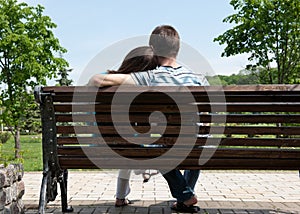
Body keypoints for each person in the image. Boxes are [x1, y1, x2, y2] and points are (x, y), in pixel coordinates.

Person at [88, 25, 209, 213]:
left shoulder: (148, 77)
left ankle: (185, 196)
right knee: (196, 149)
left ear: (152, 47)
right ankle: (185, 197)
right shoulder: (198, 79)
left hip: (164, 147)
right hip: (193, 145)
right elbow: (207, 119)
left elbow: (97, 80)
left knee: (157, 149)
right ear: (178, 47)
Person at [92, 46, 160, 207]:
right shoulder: (146, 88)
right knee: (132, 144)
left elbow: (93, 80)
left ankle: (121, 196)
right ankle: (144, 166)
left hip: (99, 145)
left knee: (127, 145)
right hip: (132, 146)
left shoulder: (106, 78)